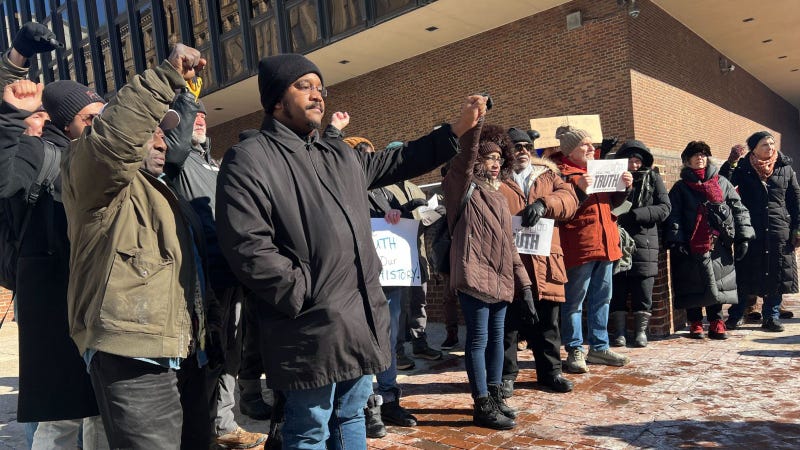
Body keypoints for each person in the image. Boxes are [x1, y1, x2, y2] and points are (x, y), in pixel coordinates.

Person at [215, 53, 481, 449]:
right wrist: (302, 293)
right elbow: (246, 245)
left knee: (352, 415)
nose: (317, 95)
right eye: (303, 86)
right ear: (274, 100)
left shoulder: (337, 154)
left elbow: (400, 159)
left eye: (320, 87)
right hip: (307, 324)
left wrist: (456, 128)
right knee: (309, 428)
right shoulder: (250, 159)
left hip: (359, 318)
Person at [61, 43, 224, 449]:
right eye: (149, 133)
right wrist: (166, 75)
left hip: (189, 352)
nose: (160, 143)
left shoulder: (167, 194)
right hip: (134, 356)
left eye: (162, 133)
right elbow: (112, 145)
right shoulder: (94, 181)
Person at [0, 22, 108, 450]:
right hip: (53, 302)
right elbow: (3, 177)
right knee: (60, 418)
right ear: (65, 125)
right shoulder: (38, 153)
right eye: (90, 118)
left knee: (100, 411)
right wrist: (15, 67)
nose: (101, 126)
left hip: (98, 301)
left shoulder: (99, 161)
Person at [163, 81, 267, 448]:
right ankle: (205, 426)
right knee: (209, 355)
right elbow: (173, 151)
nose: (201, 120)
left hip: (232, 273)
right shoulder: (177, 163)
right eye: (193, 116)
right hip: (202, 279)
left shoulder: (215, 164)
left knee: (232, 352)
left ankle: (224, 422)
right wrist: (185, 103)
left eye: (204, 115)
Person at [443, 113, 533, 430]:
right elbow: (465, 157)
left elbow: (509, 245)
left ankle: (495, 397)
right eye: (488, 156)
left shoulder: (498, 194)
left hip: (501, 280)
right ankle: (481, 402)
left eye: (498, 157)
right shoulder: (461, 186)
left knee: (498, 341)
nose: (495, 163)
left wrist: (527, 288)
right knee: (478, 340)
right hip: (473, 276)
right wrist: (476, 122)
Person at [342, 135, 418, 439]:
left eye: (371, 156)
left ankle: (389, 399)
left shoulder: (385, 192)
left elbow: (408, 220)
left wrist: (396, 215)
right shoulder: (342, 189)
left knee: (387, 340)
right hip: (356, 282)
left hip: (388, 280)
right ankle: (366, 407)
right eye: (363, 156)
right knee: (363, 343)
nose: (369, 162)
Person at [498, 126, 579, 394]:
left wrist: (544, 204)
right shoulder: (496, 178)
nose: (523, 151)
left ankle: (550, 372)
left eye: (526, 147)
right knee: (508, 325)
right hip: (509, 261)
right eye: (516, 147)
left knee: (548, 324)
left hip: (546, 261)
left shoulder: (548, 176)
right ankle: (507, 374)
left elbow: (569, 200)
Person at [555, 128, 633, 373]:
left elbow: (613, 203)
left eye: (591, 144)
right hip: (580, 245)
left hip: (606, 243)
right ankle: (575, 348)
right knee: (575, 301)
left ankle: (599, 347)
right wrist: (578, 190)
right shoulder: (561, 175)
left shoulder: (597, 170)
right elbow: (561, 211)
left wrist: (624, 188)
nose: (591, 149)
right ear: (570, 150)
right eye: (585, 145)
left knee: (603, 299)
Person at [664, 141, 754, 339]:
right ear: (687, 161)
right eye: (695, 155)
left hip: (718, 242)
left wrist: (743, 237)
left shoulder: (721, 182)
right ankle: (695, 321)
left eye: (703, 154)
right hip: (690, 243)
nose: (700, 158)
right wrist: (677, 240)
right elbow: (674, 215)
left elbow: (739, 209)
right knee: (692, 283)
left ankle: (716, 321)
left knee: (718, 281)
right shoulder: (680, 188)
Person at [722, 132, 800, 333]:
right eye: (765, 144)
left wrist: (797, 228)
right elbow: (723, 185)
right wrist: (731, 163)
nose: (770, 147)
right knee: (744, 272)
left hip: (778, 229)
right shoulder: (743, 167)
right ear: (754, 148)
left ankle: (771, 316)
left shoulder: (785, 169)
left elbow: (795, 201)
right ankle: (737, 314)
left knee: (776, 272)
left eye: (772, 143)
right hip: (750, 228)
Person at [609, 140, 671, 347]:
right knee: (617, 289)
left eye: (637, 161)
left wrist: (636, 215)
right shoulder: (613, 178)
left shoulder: (653, 178)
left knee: (642, 289)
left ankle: (640, 332)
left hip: (645, 240)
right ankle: (619, 332)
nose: (634, 165)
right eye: (630, 161)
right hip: (616, 238)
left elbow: (664, 207)